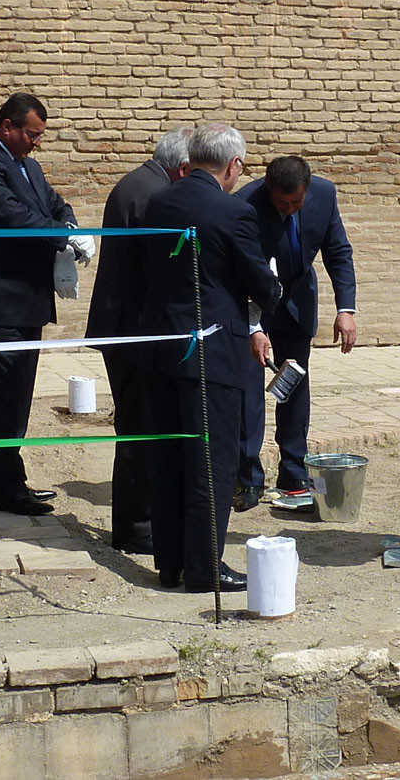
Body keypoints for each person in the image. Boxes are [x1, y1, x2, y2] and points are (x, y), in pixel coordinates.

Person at [135, 123, 280, 593]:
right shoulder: (232, 211)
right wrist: (272, 287)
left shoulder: (161, 200)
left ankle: (171, 562)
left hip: (161, 346)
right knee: (210, 463)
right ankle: (204, 568)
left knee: (169, 457)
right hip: (211, 350)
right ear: (233, 165)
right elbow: (260, 284)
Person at [0, 92, 90, 516]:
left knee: (18, 394)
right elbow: (13, 218)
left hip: (25, 299)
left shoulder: (27, 165)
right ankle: (9, 485)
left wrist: (67, 221)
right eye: (32, 134)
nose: (37, 143)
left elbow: (52, 203)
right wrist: (62, 236)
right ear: (7, 126)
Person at [85, 126, 191, 554]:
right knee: (138, 426)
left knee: (139, 423)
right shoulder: (152, 194)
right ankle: (134, 525)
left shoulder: (139, 183)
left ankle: (140, 519)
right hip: (133, 330)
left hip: (125, 326)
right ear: (182, 166)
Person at [234, 155, 356, 510]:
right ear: (268, 190)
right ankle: (247, 477)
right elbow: (239, 268)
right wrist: (254, 327)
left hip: (298, 303)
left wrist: (345, 309)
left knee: (294, 386)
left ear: (307, 190)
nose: (289, 209)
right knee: (249, 391)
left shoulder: (325, 195)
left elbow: (338, 252)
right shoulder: (244, 204)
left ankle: (292, 470)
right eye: (281, 202)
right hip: (254, 301)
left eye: (296, 203)